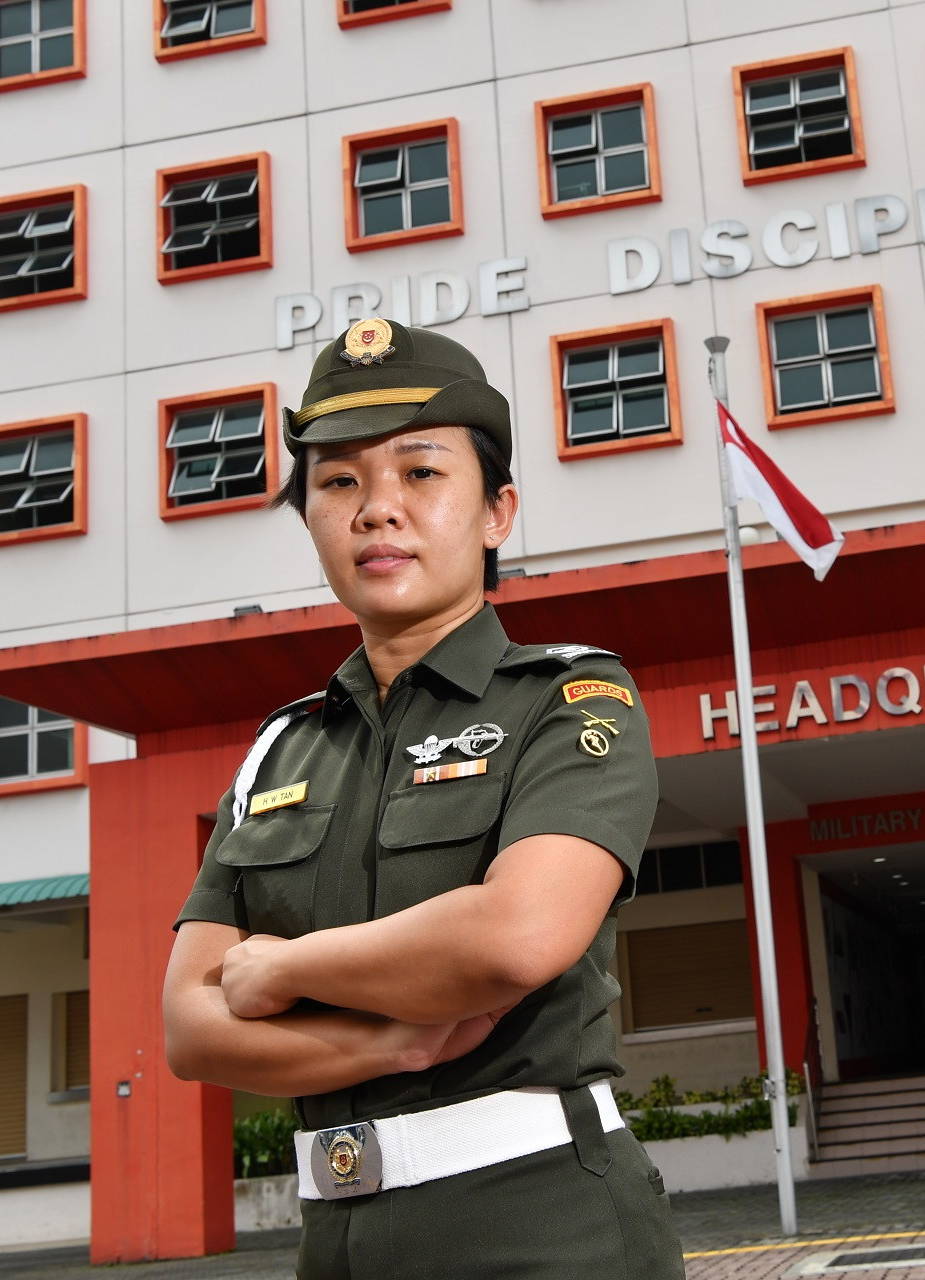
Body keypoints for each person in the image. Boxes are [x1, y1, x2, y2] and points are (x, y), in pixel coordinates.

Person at [162, 318, 686, 1280]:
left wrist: (283, 970)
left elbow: (516, 936)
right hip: (337, 1242)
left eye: (421, 472)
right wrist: (392, 1045)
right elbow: (192, 1029)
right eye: (339, 483)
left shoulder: (570, 701)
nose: (377, 509)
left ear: (497, 512)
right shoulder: (282, 751)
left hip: (544, 1231)